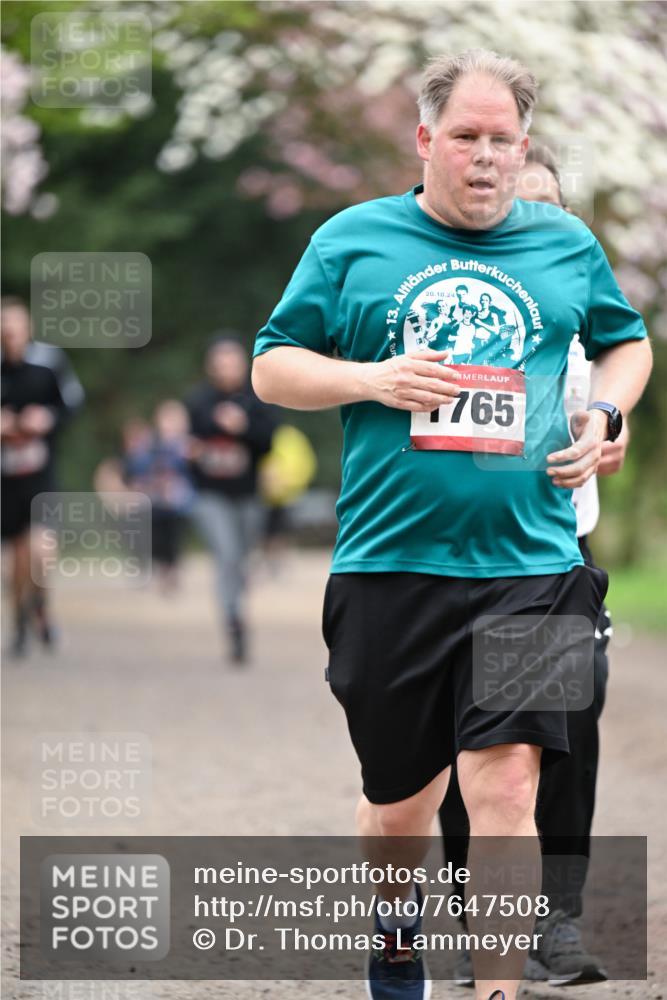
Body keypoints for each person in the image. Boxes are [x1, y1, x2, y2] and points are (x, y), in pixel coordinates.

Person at [252, 49, 652, 1000]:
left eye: (501, 140)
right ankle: (396, 945)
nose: (484, 157)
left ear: (522, 149)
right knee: (400, 805)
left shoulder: (564, 247)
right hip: (390, 568)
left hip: (534, 565)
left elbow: (625, 341)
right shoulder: (353, 239)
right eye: (465, 138)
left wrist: (607, 416)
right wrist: (369, 380)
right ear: (426, 141)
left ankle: (496, 989)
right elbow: (275, 365)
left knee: (507, 787)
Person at [440, 142, 631, 989]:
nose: (537, 217)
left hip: (553, 558)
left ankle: (553, 918)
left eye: (551, 203)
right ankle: (472, 906)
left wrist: (606, 432)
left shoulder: (584, 327)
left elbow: (610, 404)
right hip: (449, 553)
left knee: (562, 730)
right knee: (458, 741)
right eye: (520, 202)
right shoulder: (466, 314)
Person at [185, 334, 276, 664]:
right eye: (220, 362)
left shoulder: (258, 397)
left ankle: (237, 610)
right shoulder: (198, 400)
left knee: (239, 560)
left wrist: (242, 427)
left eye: (232, 361)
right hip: (210, 495)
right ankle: (234, 621)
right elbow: (187, 443)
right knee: (226, 555)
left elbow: (269, 442)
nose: (226, 368)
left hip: (248, 495)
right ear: (211, 366)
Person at [1, 296, 84, 656]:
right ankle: (20, 619)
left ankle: (41, 608)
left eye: (15, 326)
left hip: (41, 476)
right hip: (6, 480)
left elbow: (72, 404)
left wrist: (47, 418)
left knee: (42, 550)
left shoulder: (48, 364)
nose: (10, 334)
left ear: (28, 328)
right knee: (17, 561)